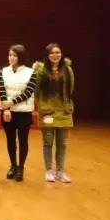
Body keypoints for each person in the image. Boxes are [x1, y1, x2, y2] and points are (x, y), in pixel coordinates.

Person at [33, 43, 75, 183]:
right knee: (48, 142)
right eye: (52, 53)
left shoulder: (67, 70)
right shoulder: (40, 71)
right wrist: (42, 106)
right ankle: (49, 171)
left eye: (58, 52)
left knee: (62, 144)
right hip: (48, 112)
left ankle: (60, 172)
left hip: (64, 111)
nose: (55, 55)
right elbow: (36, 91)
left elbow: (70, 89)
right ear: (47, 55)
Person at [0, 44, 37, 182]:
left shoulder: (31, 72)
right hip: (7, 111)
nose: (11, 58)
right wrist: (6, 109)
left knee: (23, 140)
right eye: (10, 55)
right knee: (10, 140)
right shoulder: (3, 71)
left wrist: (11, 102)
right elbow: (2, 90)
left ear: (21, 56)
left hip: (23, 112)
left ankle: (21, 167)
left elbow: (28, 92)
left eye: (14, 55)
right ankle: (13, 165)